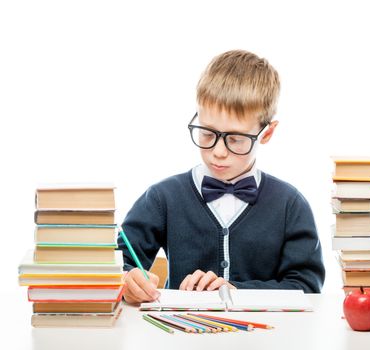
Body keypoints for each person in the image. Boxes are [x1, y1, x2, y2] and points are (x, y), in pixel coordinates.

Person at [118, 50, 325, 304]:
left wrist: (239, 292)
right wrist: (127, 279)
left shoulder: (290, 205)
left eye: (236, 139)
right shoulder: (162, 197)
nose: (218, 152)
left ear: (267, 133)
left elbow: (307, 286)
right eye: (207, 133)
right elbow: (117, 261)